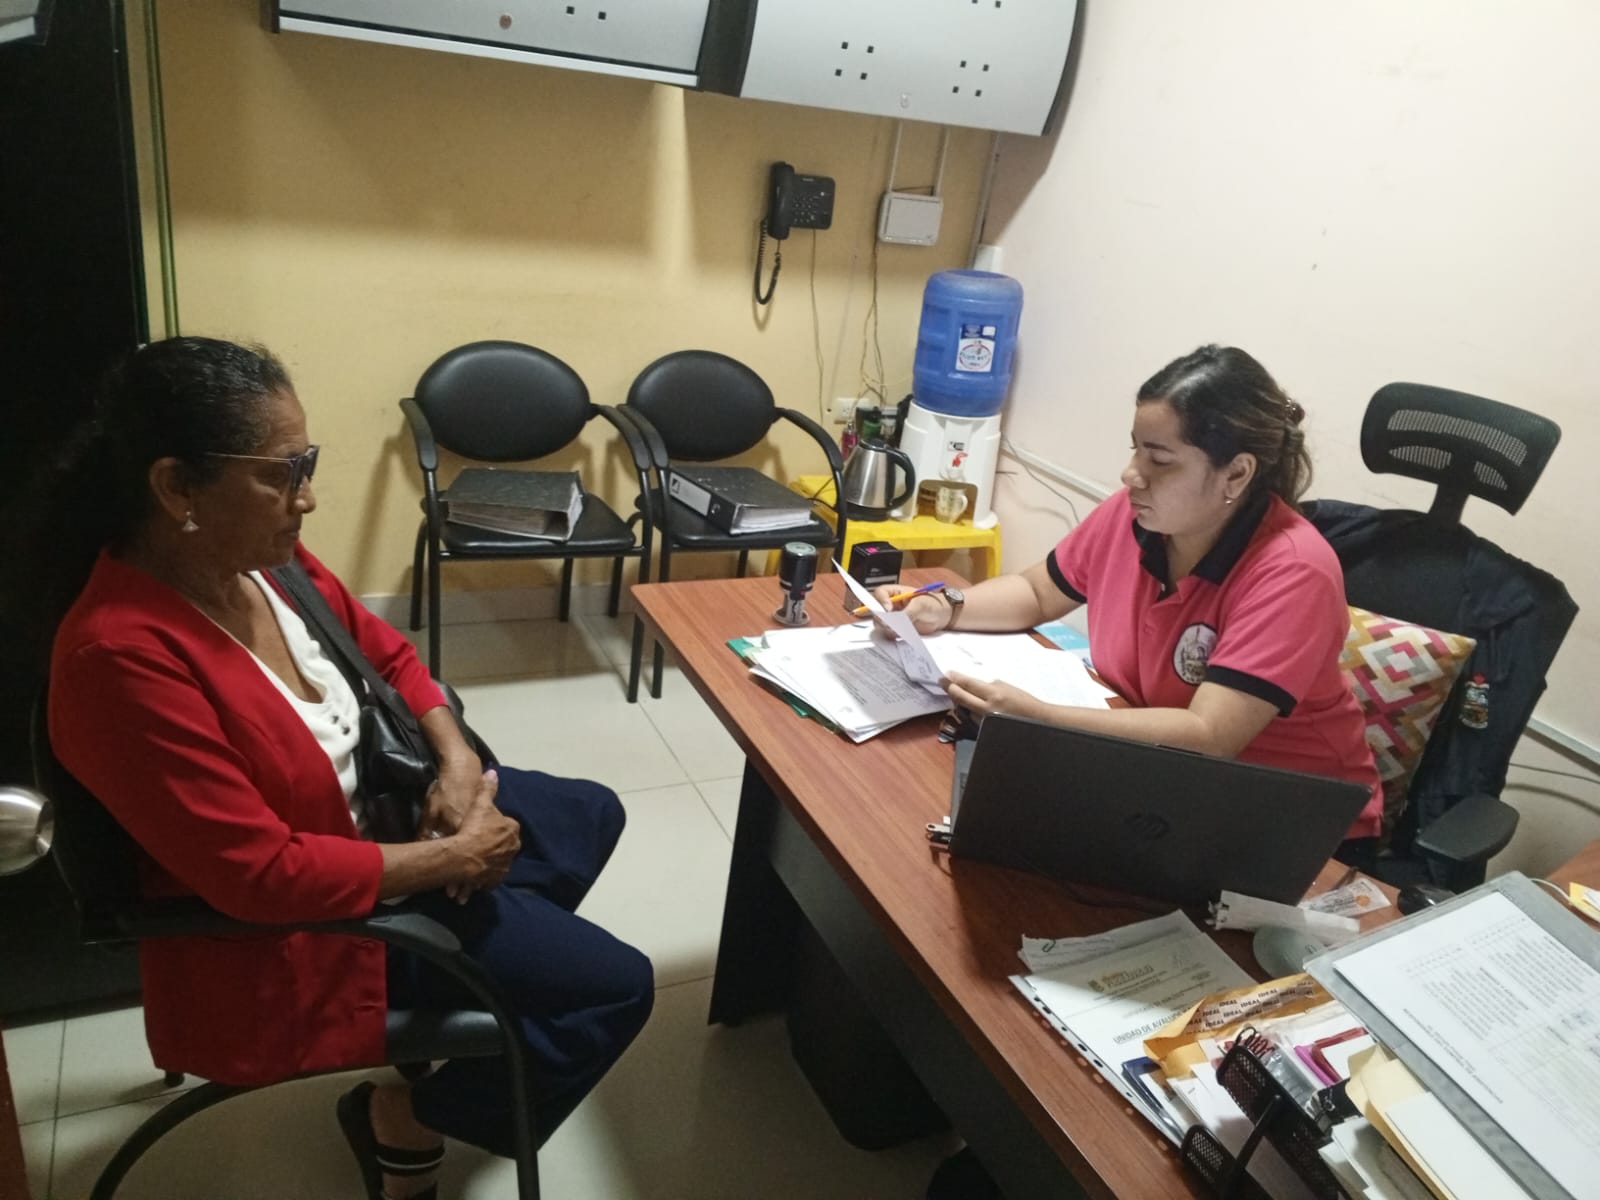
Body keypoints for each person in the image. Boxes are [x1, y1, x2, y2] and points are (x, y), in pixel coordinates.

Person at [40, 337, 653, 1200]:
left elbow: (392, 656)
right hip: (309, 930)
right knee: (614, 989)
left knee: (590, 812)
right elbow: (261, 875)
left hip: (382, 825)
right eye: (282, 474)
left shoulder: (263, 565)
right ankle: (407, 1115)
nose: (308, 497)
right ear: (177, 488)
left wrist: (456, 764)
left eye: (309, 464)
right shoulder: (121, 660)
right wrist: (453, 859)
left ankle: (478, 987)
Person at [883, 344, 1383, 845]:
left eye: (1159, 459)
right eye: (1136, 450)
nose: (1131, 474)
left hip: (1290, 825)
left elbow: (1210, 736)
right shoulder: (1134, 513)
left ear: (1236, 473)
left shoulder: (1293, 570)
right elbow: (1038, 591)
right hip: (1156, 778)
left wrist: (1039, 720)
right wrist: (945, 607)